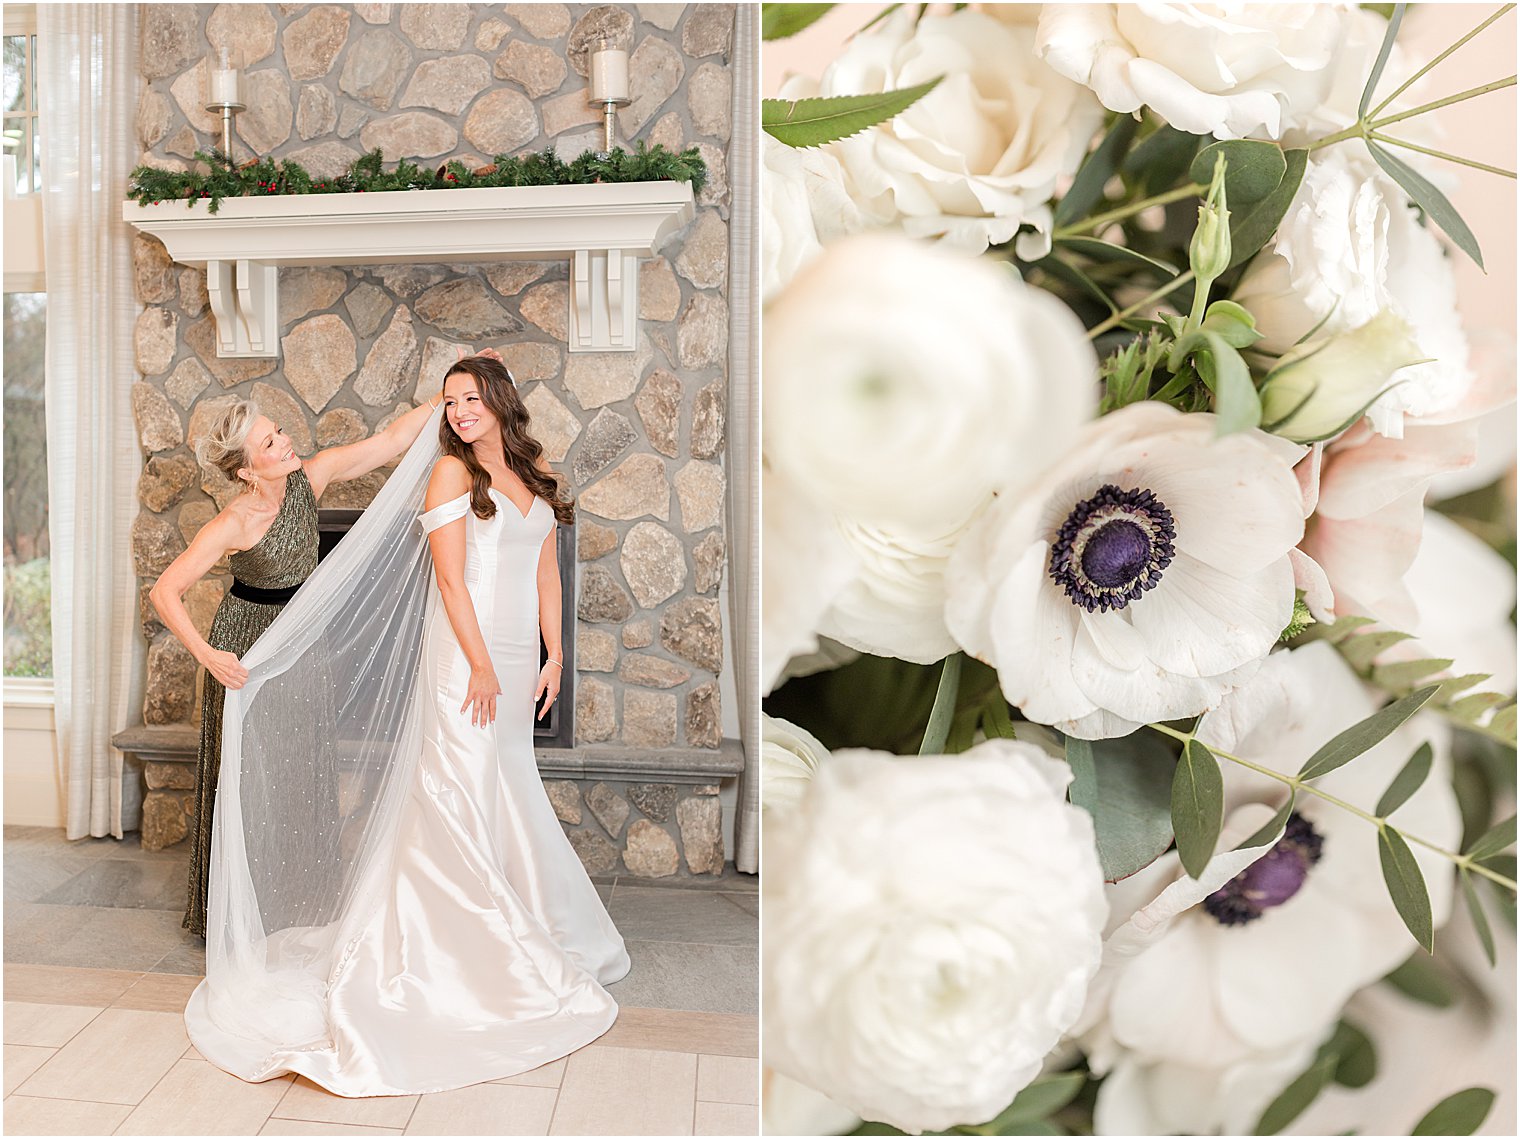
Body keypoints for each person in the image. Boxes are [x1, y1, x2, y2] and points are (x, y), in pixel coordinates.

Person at [182, 356, 630, 1095]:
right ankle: (463, 949)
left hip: (520, 658)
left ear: (499, 402)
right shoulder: (451, 476)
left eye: (472, 399)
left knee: (508, 782)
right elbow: (451, 579)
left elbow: (547, 564)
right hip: (466, 656)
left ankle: (521, 922)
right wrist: (482, 665)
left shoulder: (532, 469)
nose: (459, 412)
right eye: (450, 402)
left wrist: (555, 657)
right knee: (454, 788)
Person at [150, 389, 447, 937]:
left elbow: (390, 441)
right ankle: (240, 915)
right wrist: (210, 656)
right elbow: (166, 591)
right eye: (270, 441)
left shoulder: (311, 480)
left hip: (302, 645)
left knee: (304, 773)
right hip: (247, 653)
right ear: (245, 470)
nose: (286, 441)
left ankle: (300, 905)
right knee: (247, 779)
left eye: (279, 431)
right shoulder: (232, 522)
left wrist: (447, 390)